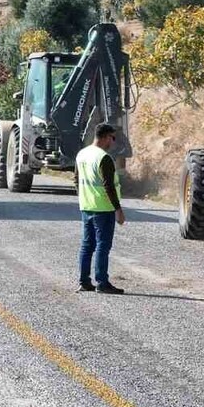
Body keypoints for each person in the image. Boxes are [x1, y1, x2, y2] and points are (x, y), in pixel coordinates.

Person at [76, 123, 125, 294]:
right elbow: (108, 185)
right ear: (105, 137)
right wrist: (118, 209)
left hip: (86, 206)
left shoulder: (82, 154)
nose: (113, 141)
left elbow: (76, 179)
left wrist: (83, 197)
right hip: (103, 208)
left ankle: (84, 281)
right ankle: (102, 283)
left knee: (87, 245)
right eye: (112, 137)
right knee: (103, 246)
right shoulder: (104, 158)